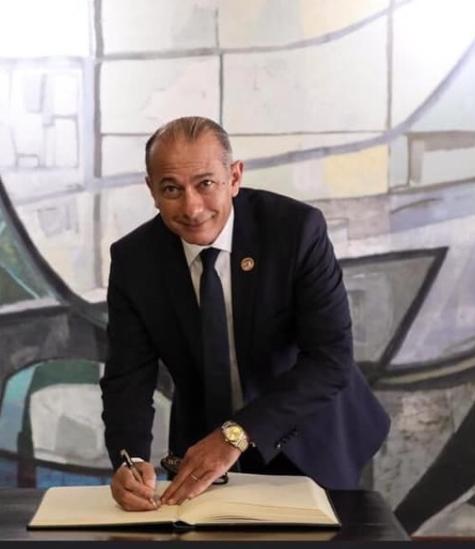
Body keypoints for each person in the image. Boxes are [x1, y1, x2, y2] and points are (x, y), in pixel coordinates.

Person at [100, 116, 390, 511]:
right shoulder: (134, 260)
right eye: (171, 189)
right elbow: (127, 379)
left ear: (234, 178)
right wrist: (129, 459)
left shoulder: (296, 231)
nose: (191, 206)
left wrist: (235, 434)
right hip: (201, 451)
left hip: (311, 435)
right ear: (151, 190)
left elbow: (330, 359)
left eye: (206, 183)